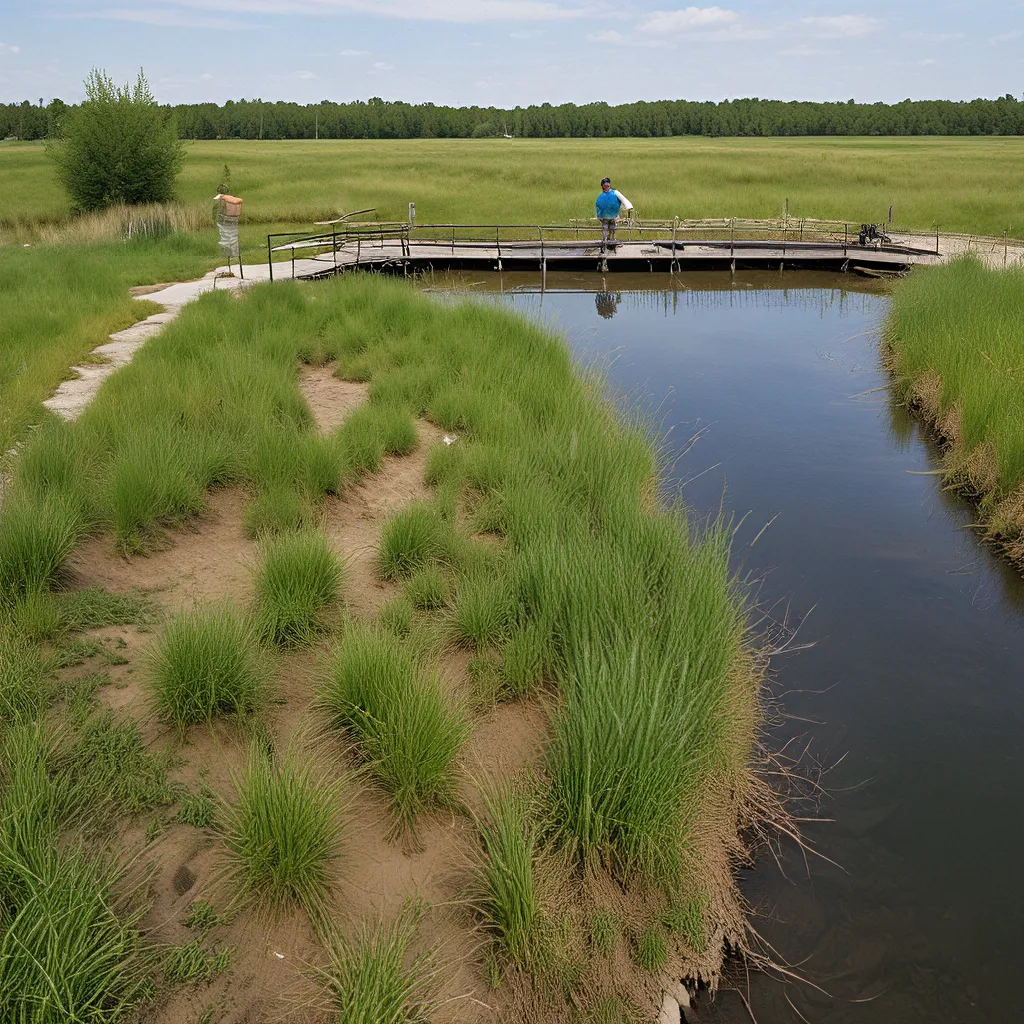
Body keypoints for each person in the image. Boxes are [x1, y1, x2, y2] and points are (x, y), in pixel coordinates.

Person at [595, 177, 621, 247]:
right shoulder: (601, 196)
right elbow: (598, 206)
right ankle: (605, 241)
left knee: (612, 228)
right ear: (602, 186)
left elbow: (617, 203)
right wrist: (599, 215)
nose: (606, 187)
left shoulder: (614, 194)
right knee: (605, 228)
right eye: (605, 186)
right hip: (604, 217)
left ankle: (612, 241)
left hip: (612, 216)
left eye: (607, 186)